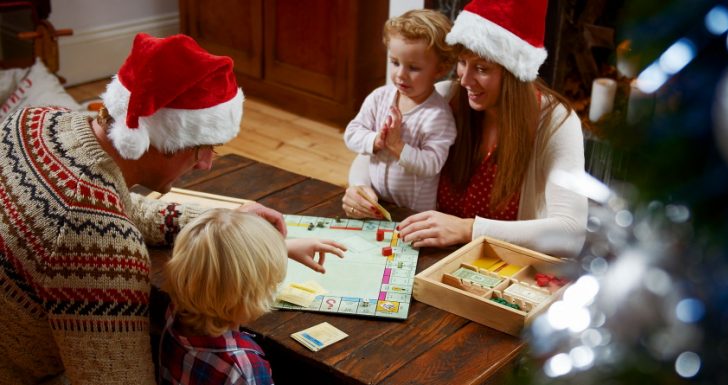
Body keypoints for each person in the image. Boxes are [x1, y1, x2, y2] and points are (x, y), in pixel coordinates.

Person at [0, 33, 343, 384]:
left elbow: (113, 204)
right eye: (203, 147)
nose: (207, 163)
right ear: (159, 137)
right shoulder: (99, 241)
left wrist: (228, 227)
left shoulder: (34, 121)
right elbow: (119, 378)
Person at [343, 0, 588, 258]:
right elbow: (381, 150)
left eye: (481, 68)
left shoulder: (555, 122)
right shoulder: (445, 98)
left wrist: (467, 229)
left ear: (514, 72)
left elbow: (570, 234)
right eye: (462, 62)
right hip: (426, 252)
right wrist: (359, 188)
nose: (464, 79)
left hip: (501, 266)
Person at [343, 9, 457, 213]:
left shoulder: (438, 116)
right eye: (395, 63)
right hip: (376, 201)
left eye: (413, 68)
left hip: (411, 212)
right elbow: (352, 133)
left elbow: (431, 165)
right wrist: (375, 140)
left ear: (440, 69)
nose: (400, 75)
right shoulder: (380, 98)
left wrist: (397, 145)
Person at [159, 209, 286, 385]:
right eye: (271, 284)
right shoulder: (243, 365)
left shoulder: (174, 313)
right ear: (244, 296)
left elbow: (215, 262)